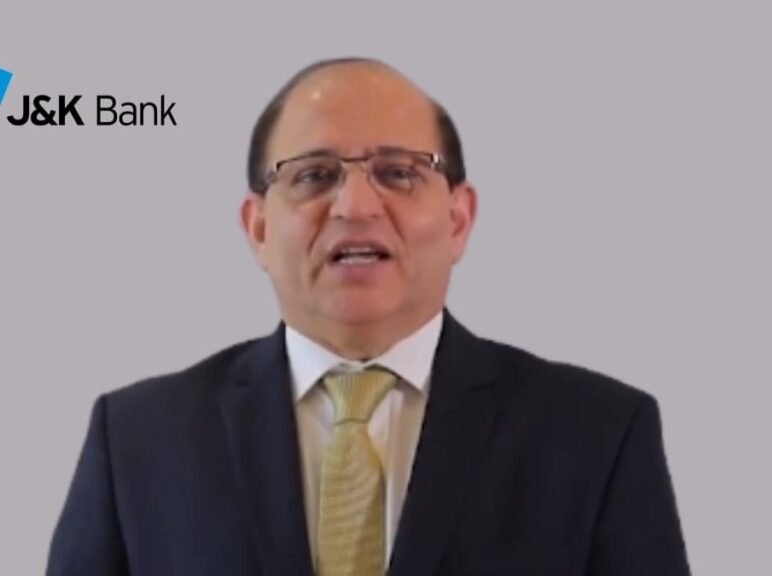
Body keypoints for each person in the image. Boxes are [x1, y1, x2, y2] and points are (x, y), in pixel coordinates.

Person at [46, 57, 691, 576]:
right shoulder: (137, 441)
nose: (355, 205)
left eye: (398, 172)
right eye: (314, 175)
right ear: (259, 227)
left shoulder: (597, 435)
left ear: (458, 219)